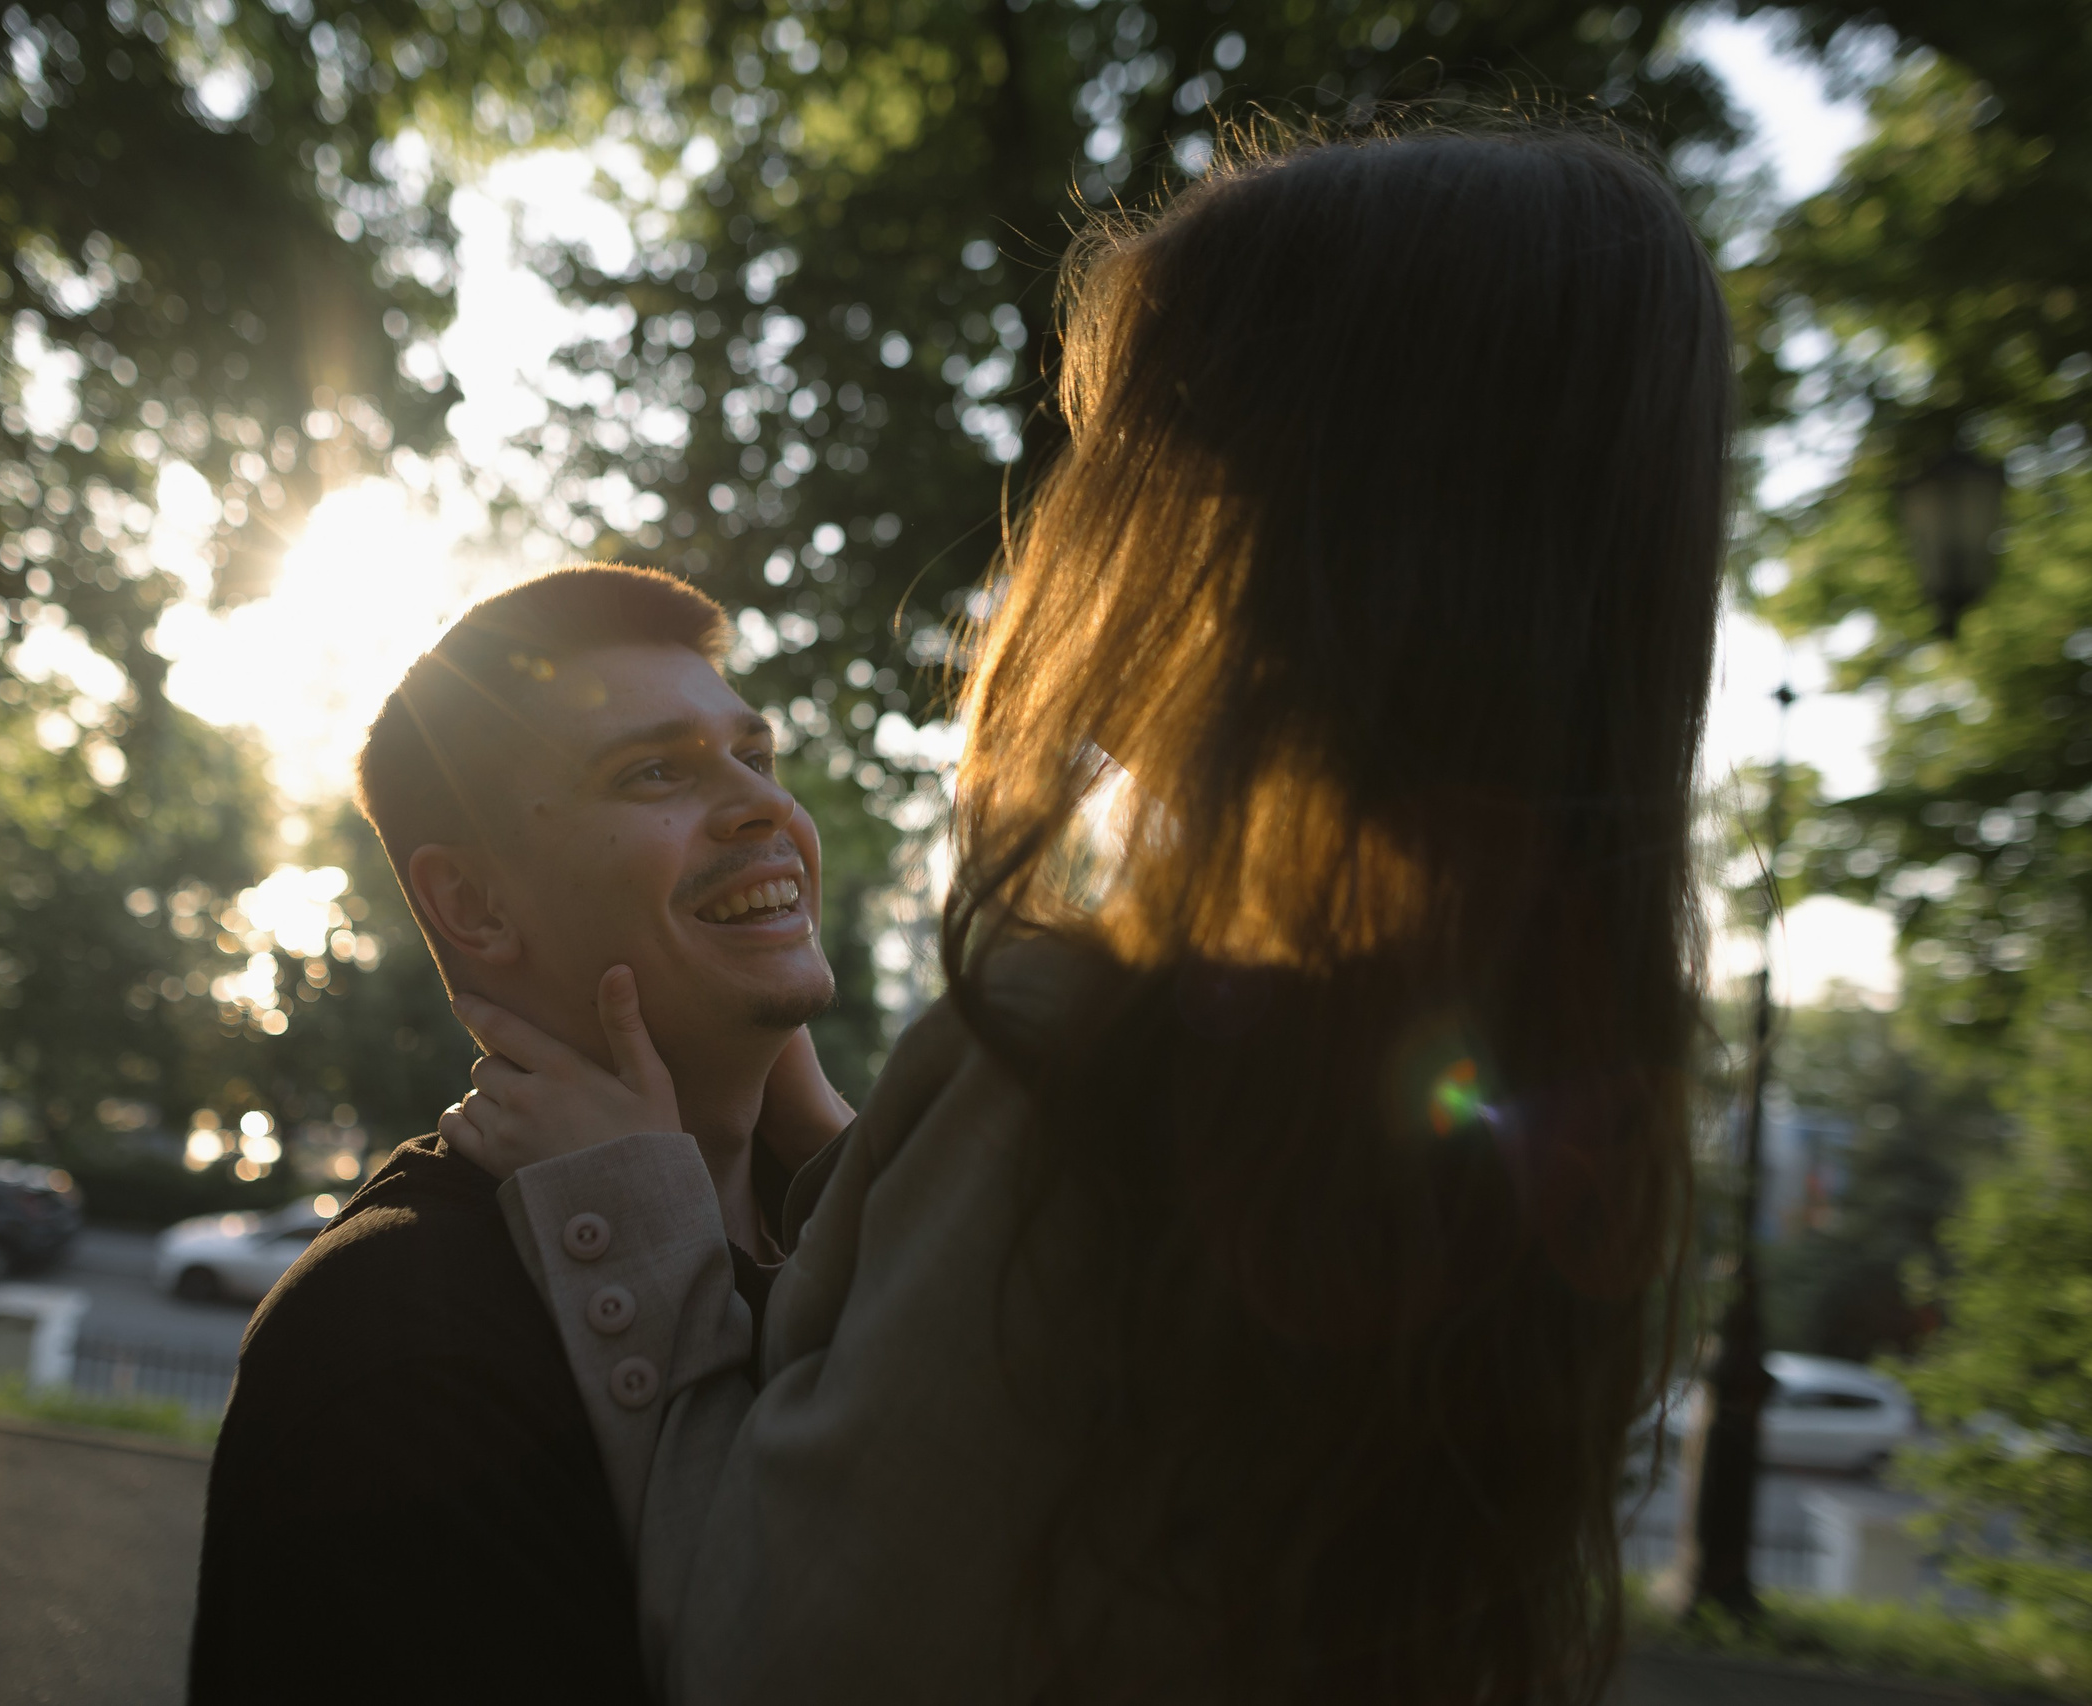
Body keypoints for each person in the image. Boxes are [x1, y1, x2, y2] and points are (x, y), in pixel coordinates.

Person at [442, 117, 1734, 1706]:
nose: (1082, 518)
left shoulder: (1090, 1062)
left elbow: (766, 1634)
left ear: (1262, 532)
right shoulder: (1531, 1125)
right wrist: (832, 1132)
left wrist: (625, 1209)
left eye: (1126, 450)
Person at [187, 567, 851, 1703]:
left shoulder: (850, 1223)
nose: (765, 807)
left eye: (756, 756)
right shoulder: (396, 1338)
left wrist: (851, 1167)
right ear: (474, 905)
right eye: (656, 771)